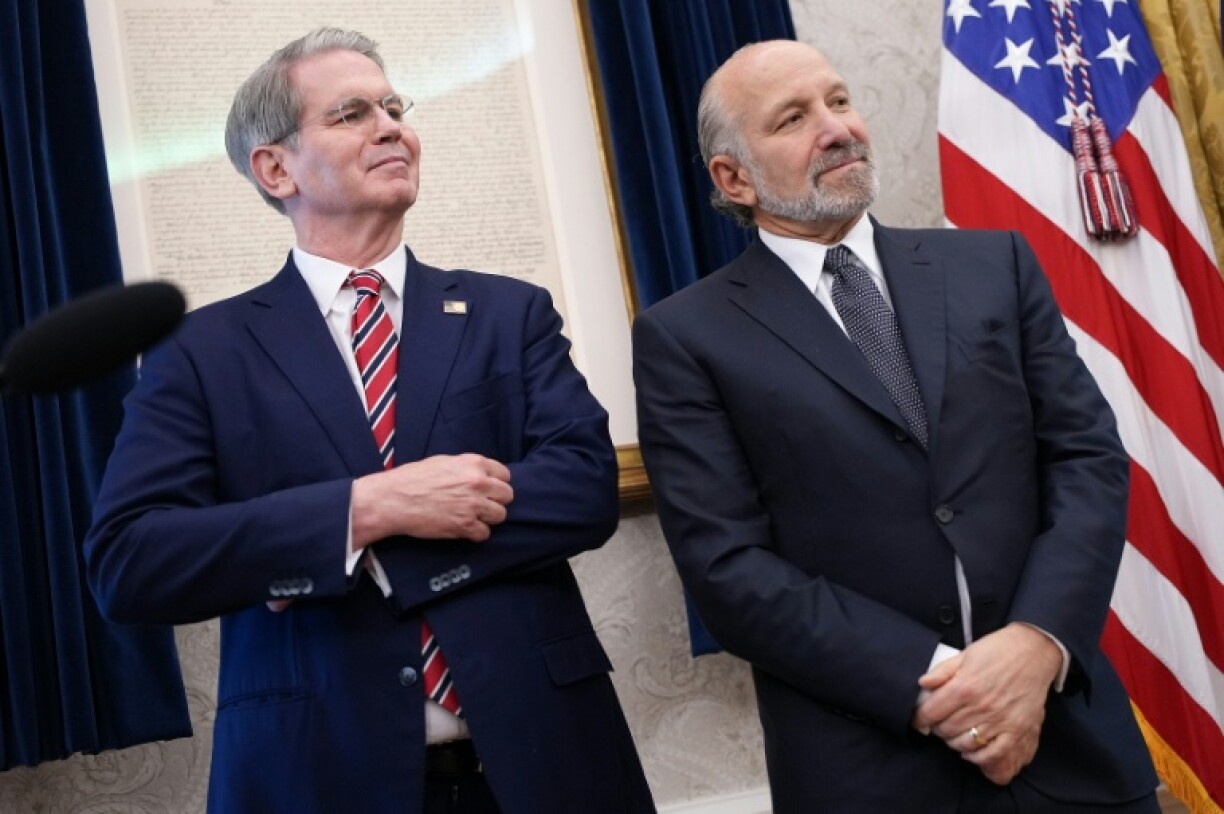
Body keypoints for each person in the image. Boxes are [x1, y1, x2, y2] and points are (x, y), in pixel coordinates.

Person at [85, 27, 654, 814]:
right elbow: (131, 559)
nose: (391, 126)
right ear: (275, 166)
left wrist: (377, 552)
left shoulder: (505, 313)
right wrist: (365, 511)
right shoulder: (201, 351)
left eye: (394, 107)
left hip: (545, 760)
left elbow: (584, 488)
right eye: (352, 113)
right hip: (318, 775)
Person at [633, 39, 1158, 813]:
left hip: (1068, 745)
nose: (837, 128)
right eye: (794, 117)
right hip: (870, 766)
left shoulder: (995, 266)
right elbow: (728, 570)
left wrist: (1033, 647)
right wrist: (944, 686)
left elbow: (1087, 460)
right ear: (733, 177)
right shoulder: (686, 336)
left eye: (839, 101)